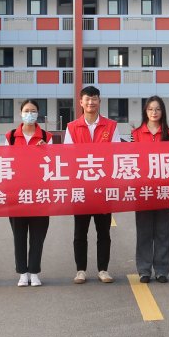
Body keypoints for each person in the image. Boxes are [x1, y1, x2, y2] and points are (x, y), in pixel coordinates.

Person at [64, 86, 120, 284]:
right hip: (81, 188)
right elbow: (68, 157)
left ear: (99, 101)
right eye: (87, 99)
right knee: (80, 231)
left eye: (94, 99)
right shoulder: (72, 127)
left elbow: (116, 155)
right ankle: (80, 270)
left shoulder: (111, 126)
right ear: (81, 102)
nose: (91, 102)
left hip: (104, 188)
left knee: (103, 231)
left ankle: (103, 269)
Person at [6, 99, 52, 287]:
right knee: (19, 235)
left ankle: (34, 271)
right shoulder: (11, 136)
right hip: (16, 193)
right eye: (26, 111)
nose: (29, 114)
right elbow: (4, 161)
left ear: (38, 114)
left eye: (33, 111)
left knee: (37, 235)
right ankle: (22, 273)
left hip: (40, 193)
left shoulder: (46, 136)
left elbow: (53, 163)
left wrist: (45, 151)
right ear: (20, 113)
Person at [132, 96, 169, 283]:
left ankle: (162, 269)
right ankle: (144, 270)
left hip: (164, 188)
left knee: (164, 231)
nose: (154, 112)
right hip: (143, 189)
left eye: (157, 109)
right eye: (150, 109)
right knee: (144, 231)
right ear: (145, 111)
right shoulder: (136, 134)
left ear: (162, 111)